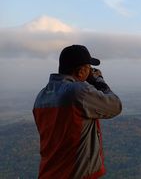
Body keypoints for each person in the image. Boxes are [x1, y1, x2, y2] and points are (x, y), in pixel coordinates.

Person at [33, 44, 122, 179]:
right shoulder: (78, 92)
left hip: (48, 172)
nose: (90, 72)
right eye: (88, 68)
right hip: (74, 174)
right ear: (80, 71)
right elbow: (115, 106)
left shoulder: (42, 95)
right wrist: (98, 80)